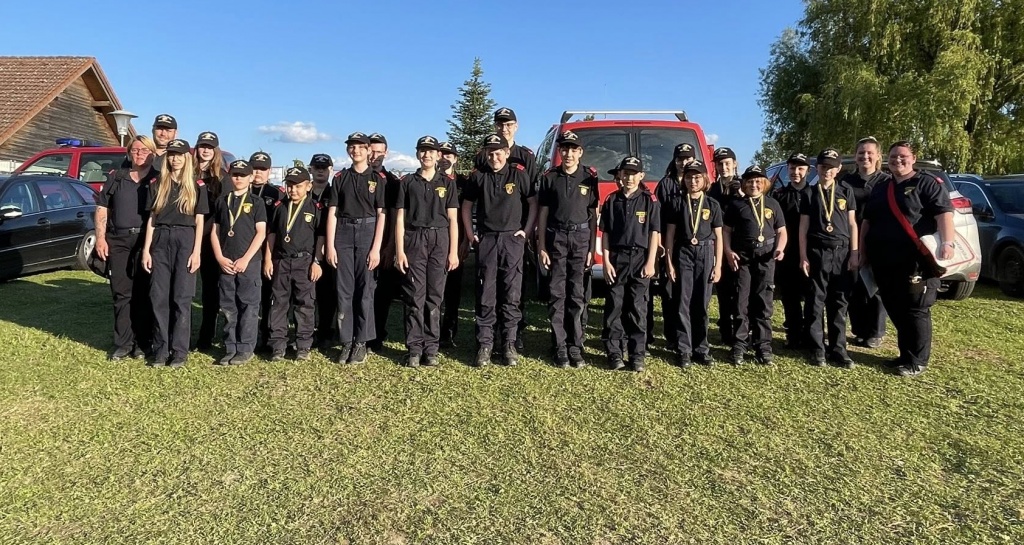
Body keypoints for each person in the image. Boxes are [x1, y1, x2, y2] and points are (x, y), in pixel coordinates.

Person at [861, 141, 954, 377]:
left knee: (916, 308)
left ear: (913, 158)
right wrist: (862, 252)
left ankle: (917, 361)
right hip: (885, 260)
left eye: (903, 156)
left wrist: (948, 243)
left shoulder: (927, 183)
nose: (897, 160)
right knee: (895, 305)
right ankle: (905, 355)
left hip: (915, 261)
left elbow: (943, 214)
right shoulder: (882, 187)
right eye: (893, 156)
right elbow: (867, 221)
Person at [461, 133, 537, 367]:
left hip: (512, 240)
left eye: (498, 153)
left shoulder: (518, 174)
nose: (494, 157)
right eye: (490, 153)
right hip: (487, 240)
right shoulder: (479, 176)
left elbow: (533, 203)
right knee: (486, 294)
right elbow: (466, 206)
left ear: (506, 153)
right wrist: (470, 234)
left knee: (511, 295)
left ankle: (508, 344)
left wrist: (526, 231)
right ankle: (485, 344)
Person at [141, 139, 209, 368]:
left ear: (187, 157)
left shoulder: (197, 185)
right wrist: (147, 250)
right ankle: (161, 350)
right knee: (158, 297)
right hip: (160, 239)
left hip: (185, 239)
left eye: (179, 154)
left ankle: (179, 351)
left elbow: (200, 221)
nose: (175, 159)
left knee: (182, 298)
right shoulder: (157, 183)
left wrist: (197, 252)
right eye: (171, 154)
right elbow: (152, 219)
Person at [474, 108, 537, 351]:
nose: (504, 128)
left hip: (516, 230)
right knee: (487, 286)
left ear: (516, 126)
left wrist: (526, 230)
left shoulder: (525, 156)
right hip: (491, 231)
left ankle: (514, 334)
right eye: (500, 124)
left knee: (514, 287)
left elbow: (531, 195)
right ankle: (487, 336)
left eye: (508, 124)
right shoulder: (484, 155)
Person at [394, 136, 460, 367]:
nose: (427, 155)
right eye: (423, 151)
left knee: (435, 297)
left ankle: (431, 348)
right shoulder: (407, 182)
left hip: (439, 240)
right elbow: (400, 218)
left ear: (438, 155)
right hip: (414, 239)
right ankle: (414, 348)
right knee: (414, 295)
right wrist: (399, 251)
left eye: (431, 151)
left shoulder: (447, 183)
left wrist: (453, 251)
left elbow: (453, 220)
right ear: (417, 154)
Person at [536, 130, 598, 368]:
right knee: (557, 293)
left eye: (573, 149)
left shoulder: (589, 178)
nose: (568, 153)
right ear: (560, 152)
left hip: (581, 239)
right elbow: (543, 213)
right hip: (556, 238)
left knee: (577, 294)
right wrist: (541, 245)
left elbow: (593, 215)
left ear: (580, 152)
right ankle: (559, 346)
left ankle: (575, 345)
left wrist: (592, 247)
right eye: (565, 149)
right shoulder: (550, 177)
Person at [325, 132, 387, 365]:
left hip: (367, 232)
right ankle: (346, 341)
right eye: (352, 147)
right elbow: (332, 213)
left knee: (365, 290)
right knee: (344, 290)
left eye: (361, 147)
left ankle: (361, 341)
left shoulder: (377, 179)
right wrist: (330, 245)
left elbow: (382, 214)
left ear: (369, 150)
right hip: (343, 232)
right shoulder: (340, 178)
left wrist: (376, 248)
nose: (356, 151)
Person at [94, 135, 158, 360]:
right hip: (119, 241)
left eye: (144, 150)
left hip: (146, 241)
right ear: (129, 152)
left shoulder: (158, 179)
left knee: (145, 292)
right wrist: (100, 238)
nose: (140, 154)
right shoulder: (117, 177)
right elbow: (102, 207)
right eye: (135, 150)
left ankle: (143, 342)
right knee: (121, 292)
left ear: (153, 154)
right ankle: (123, 343)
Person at [600, 156, 661, 372]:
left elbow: (654, 233)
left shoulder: (649, 200)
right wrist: (606, 262)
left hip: (640, 258)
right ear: (620, 175)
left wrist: (651, 262)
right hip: (617, 258)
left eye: (634, 174)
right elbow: (605, 233)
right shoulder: (611, 200)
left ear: (641, 176)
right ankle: (614, 353)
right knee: (614, 307)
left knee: (638, 308)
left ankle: (637, 355)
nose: (629, 178)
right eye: (625, 173)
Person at [799, 149, 858, 368]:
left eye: (832, 167)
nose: (827, 171)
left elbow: (852, 224)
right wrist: (803, 255)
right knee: (816, 301)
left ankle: (838, 349)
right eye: (823, 167)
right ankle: (817, 348)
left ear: (839, 168)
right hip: (817, 251)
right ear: (817, 168)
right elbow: (803, 227)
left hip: (842, 253)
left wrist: (854, 253)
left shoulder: (845, 191)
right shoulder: (809, 193)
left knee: (839, 302)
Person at [722, 165, 787, 365]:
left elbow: (782, 231)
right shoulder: (736, 205)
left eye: (758, 181)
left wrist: (780, 248)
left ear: (765, 183)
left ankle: (763, 346)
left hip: (766, 258)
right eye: (750, 181)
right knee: (741, 302)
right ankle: (739, 345)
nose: (754, 185)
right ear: (744, 184)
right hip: (742, 259)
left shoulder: (773, 204)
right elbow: (726, 231)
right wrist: (728, 251)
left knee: (763, 303)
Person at [664, 160, 723, 367]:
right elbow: (669, 235)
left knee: (702, 303)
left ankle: (701, 348)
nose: (693, 181)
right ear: (684, 180)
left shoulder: (712, 204)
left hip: (705, 252)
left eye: (697, 177)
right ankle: (684, 349)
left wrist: (718, 265)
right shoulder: (677, 203)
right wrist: (669, 263)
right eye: (689, 177)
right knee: (683, 301)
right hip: (683, 252)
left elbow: (719, 237)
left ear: (704, 179)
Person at [210, 159, 267, 365]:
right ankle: (230, 346)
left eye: (243, 175)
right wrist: (219, 257)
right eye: (235, 175)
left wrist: (245, 259)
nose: (239, 178)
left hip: (248, 263)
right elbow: (215, 232)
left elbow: (261, 233)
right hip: (226, 261)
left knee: (248, 306)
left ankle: (245, 348)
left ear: (251, 178)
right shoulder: (222, 201)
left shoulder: (257, 202)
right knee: (228, 306)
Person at [264, 166, 324, 362]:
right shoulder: (280, 207)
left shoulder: (315, 208)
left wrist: (317, 262)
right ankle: (278, 346)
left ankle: (303, 345)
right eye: (290, 185)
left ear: (308, 186)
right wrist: (268, 259)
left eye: (298, 186)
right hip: (281, 261)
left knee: (305, 305)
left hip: (304, 262)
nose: (293, 190)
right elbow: (272, 234)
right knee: (278, 304)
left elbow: (320, 237)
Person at [842, 136, 889, 348]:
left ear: (878, 156)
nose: (865, 156)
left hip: (877, 239)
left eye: (870, 153)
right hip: (851, 239)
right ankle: (859, 329)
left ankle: (876, 332)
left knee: (875, 286)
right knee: (855, 286)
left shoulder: (886, 182)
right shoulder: (846, 181)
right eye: (861, 153)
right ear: (855, 156)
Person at [652, 143, 698, 351]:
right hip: (669, 244)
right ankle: (672, 336)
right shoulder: (665, 184)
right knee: (669, 291)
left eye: (688, 158)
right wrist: (659, 244)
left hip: (692, 245)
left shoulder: (698, 182)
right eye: (680, 159)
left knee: (691, 292)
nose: (683, 162)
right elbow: (657, 217)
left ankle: (691, 334)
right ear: (674, 160)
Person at [771, 152, 813, 349]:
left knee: (812, 296)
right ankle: (794, 334)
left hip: (810, 252)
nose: (796, 172)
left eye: (800, 168)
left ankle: (811, 335)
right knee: (790, 295)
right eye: (792, 168)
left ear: (808, 171)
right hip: (787, 252)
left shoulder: (815, 194)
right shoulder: (779, 195)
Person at [368, 133, 405, 353]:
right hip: (359, 244)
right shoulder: (354, 177)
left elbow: (394, 217)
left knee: (381, 295)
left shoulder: (392, 182)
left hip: (383, 248)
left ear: (386, 153)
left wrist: (390, 247)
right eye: (371, 151)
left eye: (379, 152)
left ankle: (377, 336)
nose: (375, 156)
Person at [194, 131, 229, 349]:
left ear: (216, 151)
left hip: (212, 239)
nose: (206, 150)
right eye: (202, 146)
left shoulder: (223, 178)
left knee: (215, 290)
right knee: (192, 290)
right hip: (189, 236)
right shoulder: (187, 173)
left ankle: (209, 335)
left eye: (210, 147)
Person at [248, 151, 285, 350]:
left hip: (268, 249)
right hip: (245, 249)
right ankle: (249, 334)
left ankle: (267, 334)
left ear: (269, 171)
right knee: (248, 295)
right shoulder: (241, 191)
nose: (258, 172)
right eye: (255, 168)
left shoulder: (277, 193)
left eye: (262, 169)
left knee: (268, 294)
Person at [709, 147, 744, 346]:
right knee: (723, 290)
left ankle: (741, 331)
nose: (723, 167)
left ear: (735, 164)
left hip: (740, 245)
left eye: (727, 163)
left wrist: (741, 193)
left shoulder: (744, 186)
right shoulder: (712, 189)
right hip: (719, 244)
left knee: (740, 291)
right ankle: (725, 330)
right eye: (720, 164)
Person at [438, 141, 471, 348]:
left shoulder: (464, 183)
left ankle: (449, 333)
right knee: (434, 291)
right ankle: (431, 331)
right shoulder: (431, 180)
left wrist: (466, 241)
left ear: (455, 159)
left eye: (449, 155)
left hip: (457, 242)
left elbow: (468, 213)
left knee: (452, 291)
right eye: (441, 154)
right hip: (434, 241)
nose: (444, 158)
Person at [308, 153, 338, 348]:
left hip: (327, 249)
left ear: (331, 170)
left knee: (327, 293)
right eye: (317, 167)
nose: (320, 171)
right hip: (305, 247)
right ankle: (306, 331)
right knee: (306, 293)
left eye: (324, 168)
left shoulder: (335, 192)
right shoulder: (302, 191)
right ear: (310, 169)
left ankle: (326, 331)